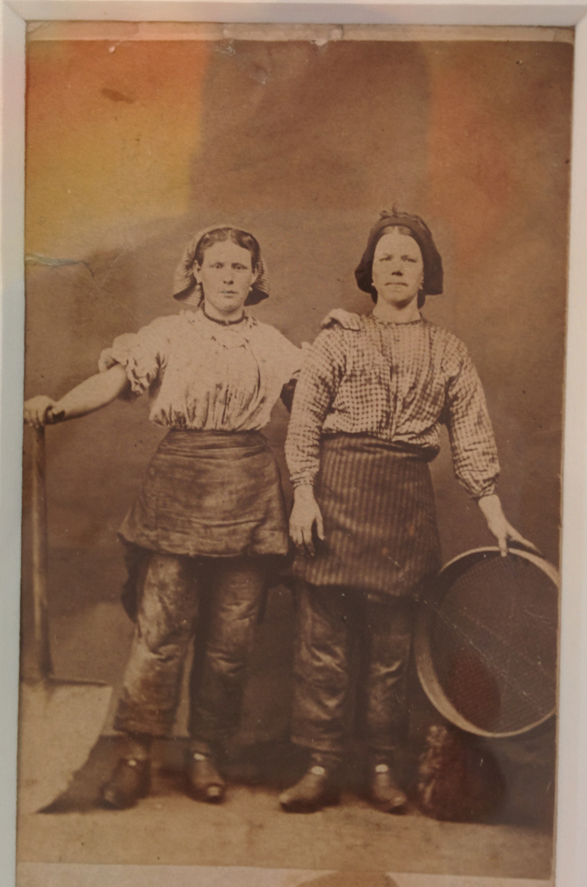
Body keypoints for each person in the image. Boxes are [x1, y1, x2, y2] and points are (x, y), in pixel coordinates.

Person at [24, 225, 303, 810]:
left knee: (231, 639)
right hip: (179, 484)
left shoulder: (273, 344)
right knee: (160, 630)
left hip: (250, 491)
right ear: (196, 272)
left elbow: (313, 404)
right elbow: (115, 380)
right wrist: (60, 408)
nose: (228, 276)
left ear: (256, 276)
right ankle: (136, 755)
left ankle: (206, 752)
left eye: (239, 267)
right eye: (217, 265)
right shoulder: (166, 335)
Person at [281, 209, 536, 814]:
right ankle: (320, 765)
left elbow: (471, 432)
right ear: (370, 273)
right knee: (323, 644)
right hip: (335, 496)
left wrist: (493, 511)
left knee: (393, 648)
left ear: (426, 275)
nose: (396, 267)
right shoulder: (337, 339)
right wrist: (304, 494)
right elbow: (305, 421)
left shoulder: (448, 350)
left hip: (405, 505)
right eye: (386, 258)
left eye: (409, 259)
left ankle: (380, 768)